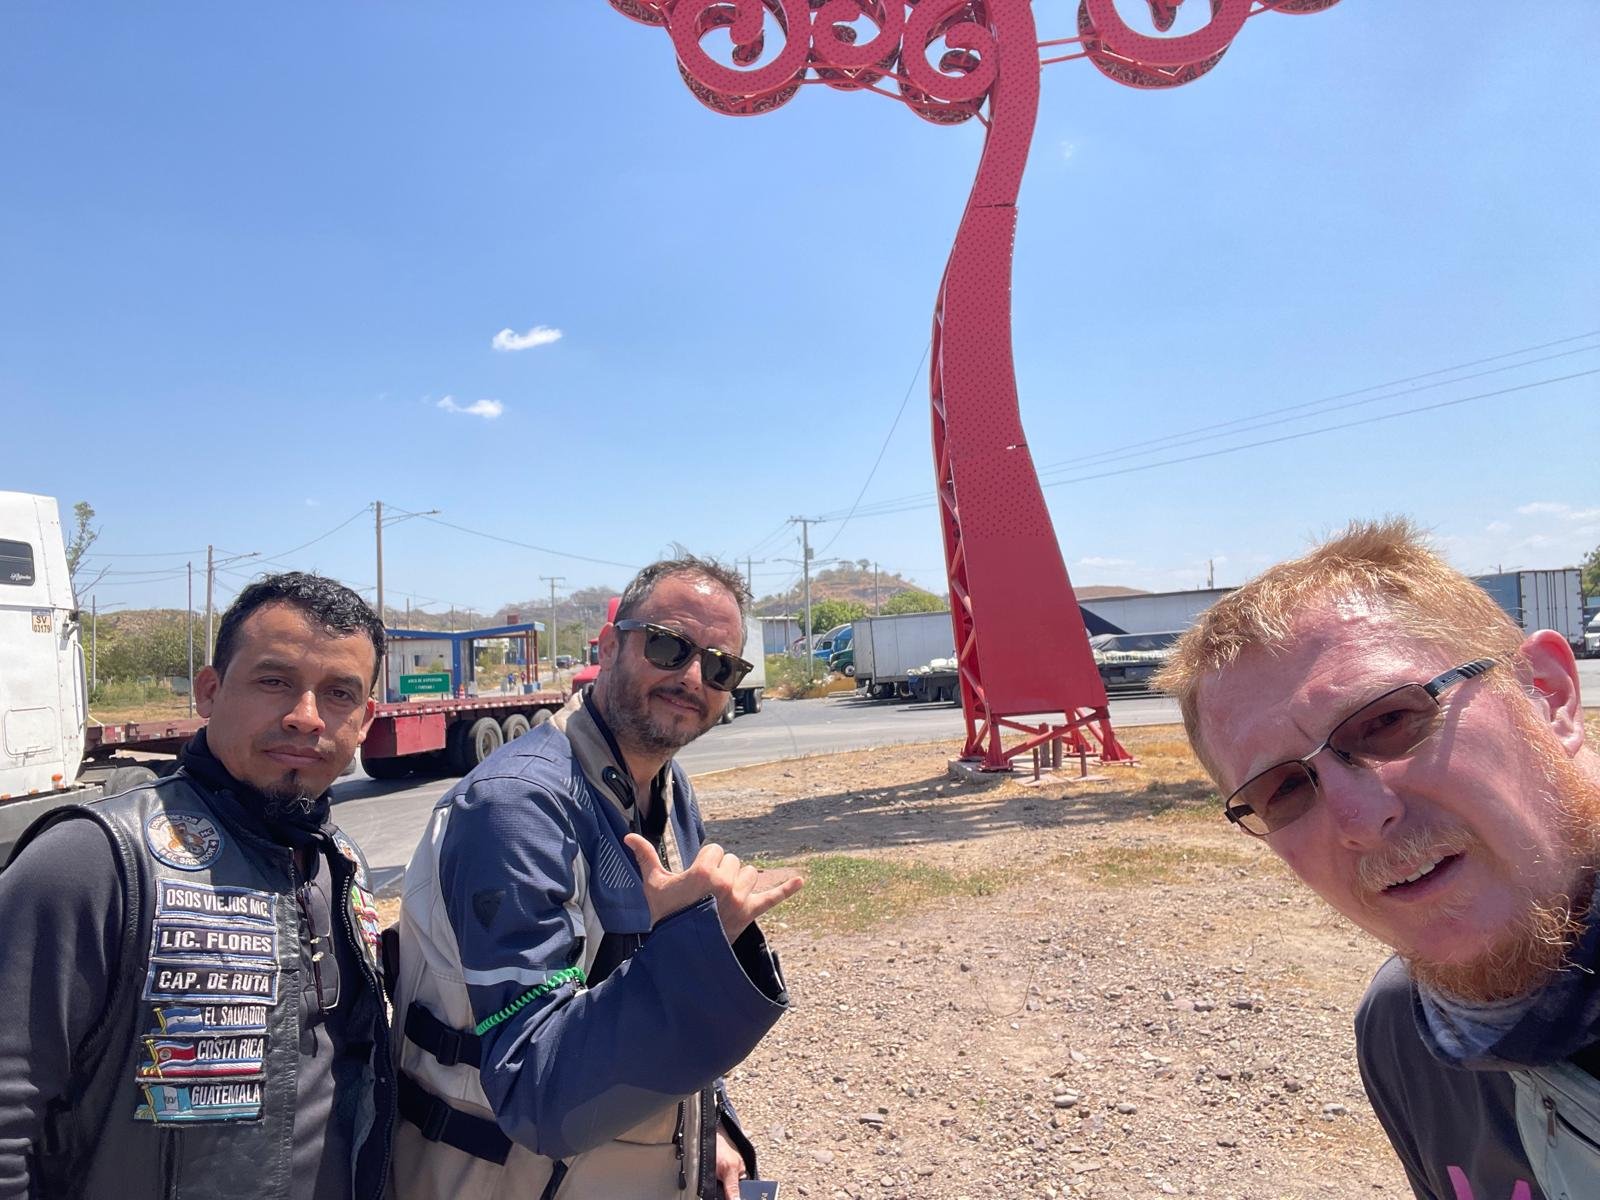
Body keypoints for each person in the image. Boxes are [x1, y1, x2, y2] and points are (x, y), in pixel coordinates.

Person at [1154, 519, 1600, 1200]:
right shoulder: (1404, 1033)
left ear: (1547, 692)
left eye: (1390, 721)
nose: (1362, 820)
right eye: (1282, 790)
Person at [392, 554, 801, 1200]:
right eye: (668, 646)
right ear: (609, 647)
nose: (693, 676)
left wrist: (711, 1123)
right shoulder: (518, 808)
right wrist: (696, 955)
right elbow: (536, 1088)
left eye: (721, 666)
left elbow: (633, 1000)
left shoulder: (666, 785)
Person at [0, 572, 396, 1200]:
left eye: (340, 693)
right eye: (274, 682)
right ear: (209, 691)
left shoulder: (336, 862)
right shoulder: (94, 860)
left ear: (367, 718)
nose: (305, 717)